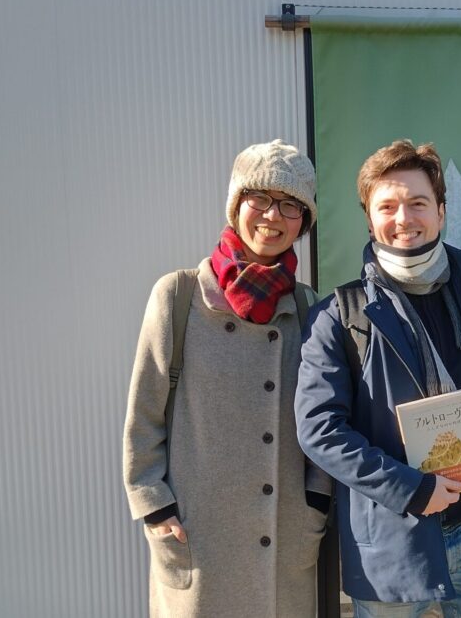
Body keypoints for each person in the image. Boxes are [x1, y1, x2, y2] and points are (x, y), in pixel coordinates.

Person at [295, 139, 461, 617]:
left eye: (418, 203)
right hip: (391, 544)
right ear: (369, 220)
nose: (404, 218)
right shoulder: (340, 314)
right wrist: (411, 489)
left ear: (441, 213)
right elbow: (319, 430)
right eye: (387, 206)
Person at [123, 140, 328, 617]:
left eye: (291, 205)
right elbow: (144, 415)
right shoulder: (178, 296)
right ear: (236, 204)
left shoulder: (307, 307)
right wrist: (155, 508)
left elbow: (325, 419)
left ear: (304, 222)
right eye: (261, 198)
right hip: (198, 539)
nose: (273, 216)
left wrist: (316, 503)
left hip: (284, 538)